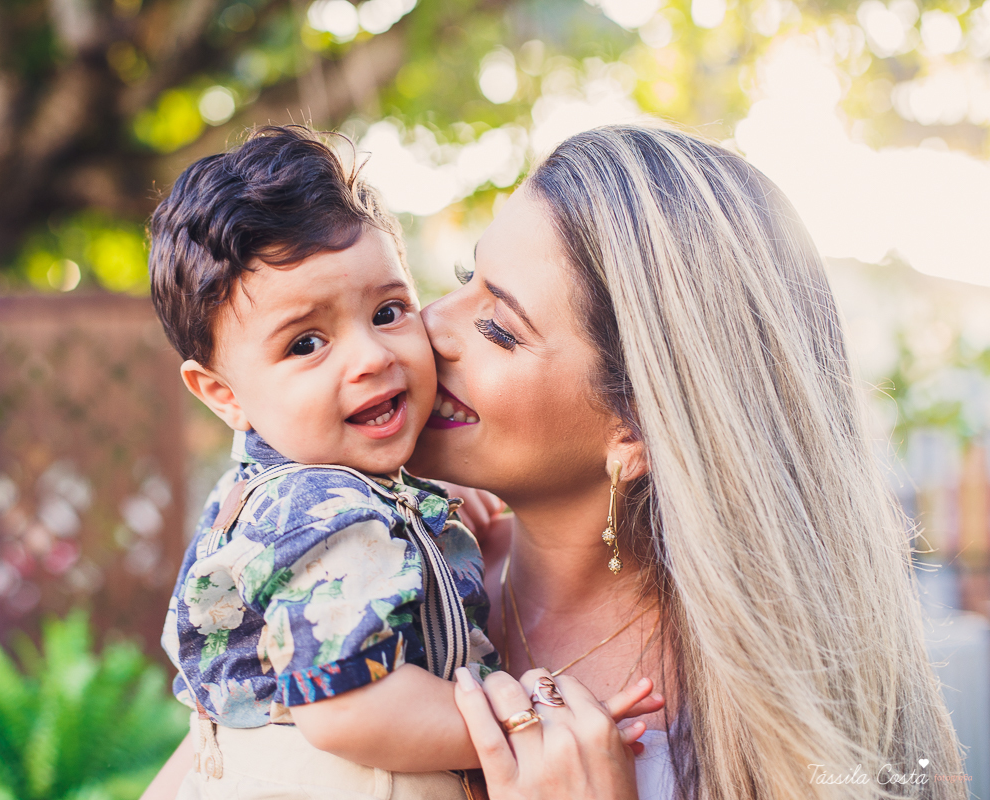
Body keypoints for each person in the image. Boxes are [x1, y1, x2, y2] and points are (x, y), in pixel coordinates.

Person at [411, 124, 969, 800]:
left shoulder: (751, 727)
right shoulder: (378, 550)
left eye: (499, 328)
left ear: (636, 430)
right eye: (467, 277)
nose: (429, 322)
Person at [145, 125, 658, 800]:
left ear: (635, 427)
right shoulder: (313, 516)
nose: (377, 355)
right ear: (222, 394)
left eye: (389, 310)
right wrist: (526, 727)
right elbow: (345, 706)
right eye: (306, 343)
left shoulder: (375, 503)